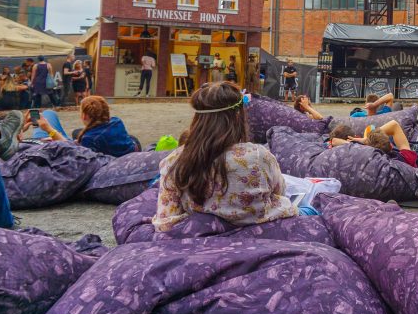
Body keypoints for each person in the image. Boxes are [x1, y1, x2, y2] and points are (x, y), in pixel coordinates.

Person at [153, 82, 317, 232]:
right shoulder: (259, 156)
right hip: (263, 225)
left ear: (197, 119)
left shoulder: (174, 161)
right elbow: (279, 192)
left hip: (201, 232)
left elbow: (165, 221)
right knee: (311, 210)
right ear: (238, 117)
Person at [64, 96, 138, 156]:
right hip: (132, 149)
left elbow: (88, 161)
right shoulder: (116, 120)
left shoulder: (88, 138)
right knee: (76, 132)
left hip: (118, 162)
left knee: (76, 134)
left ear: (84, 116)